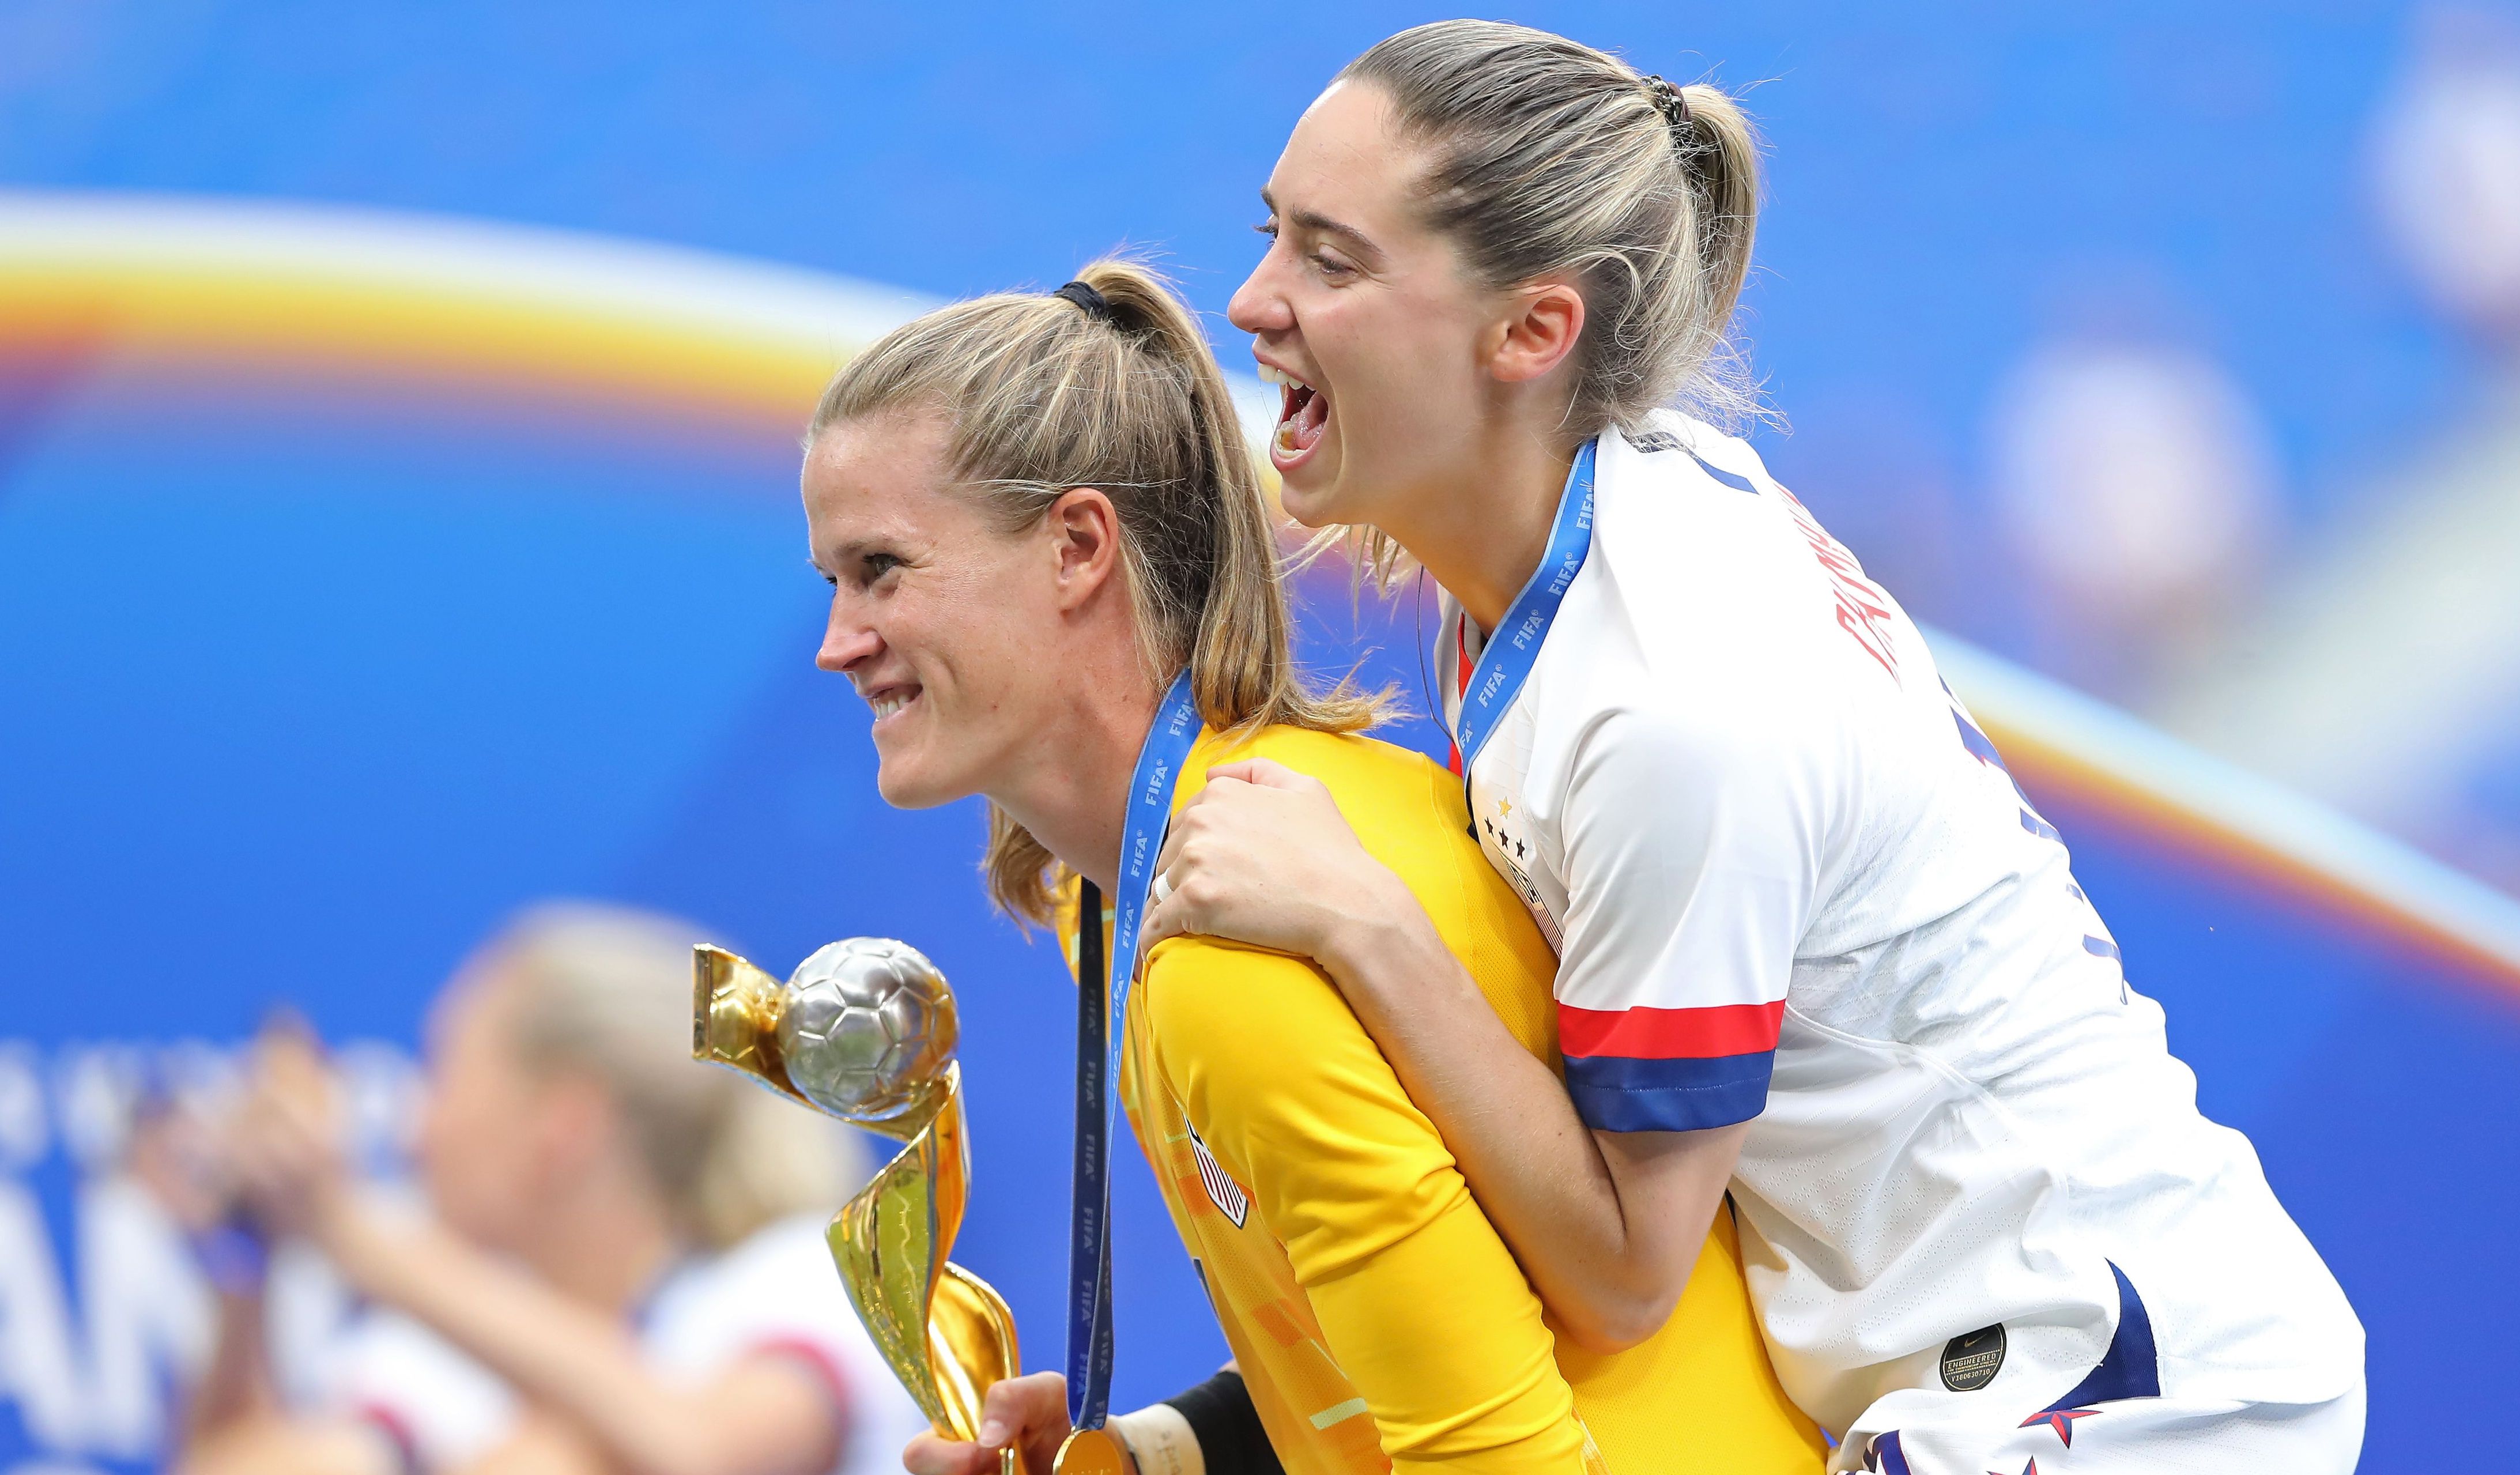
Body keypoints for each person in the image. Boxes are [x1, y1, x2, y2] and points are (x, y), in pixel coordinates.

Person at [1142, 20, 2367, 1474]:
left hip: (2113, 1395)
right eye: (1274, 235)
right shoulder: (1582, 558)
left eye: (1332, 261)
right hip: (2019, 1361)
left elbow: (1617, 1271)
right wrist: (1190, 1442)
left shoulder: (1672, 703)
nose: (1253, 300)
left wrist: (1365, 926)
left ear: (1534, 331)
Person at [801, 258, 1823, 1475]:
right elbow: (1402, 1341)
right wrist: (1146, 1457)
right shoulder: (1217, 866)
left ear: (1078, 547)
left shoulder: (1240, 952)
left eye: (882, 570)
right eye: (833, 581)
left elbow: (1495, 1454)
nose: (836, 643)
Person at [171, 902, 927, 1475]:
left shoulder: (798, 1277)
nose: (414, 1132)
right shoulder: (439, 1346)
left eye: (442, 1076)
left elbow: (704, 1451)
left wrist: (348, 1231)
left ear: (562, 1122)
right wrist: (246, 1252)